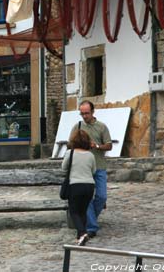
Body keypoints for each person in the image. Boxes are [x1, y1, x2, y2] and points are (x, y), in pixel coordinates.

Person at [70, 100, 112, 239]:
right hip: (83, 169)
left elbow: (109, 145)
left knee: (101, 196)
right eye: (82, 114)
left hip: (99, 166)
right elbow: (70, 144)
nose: (84, 116)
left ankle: (89, 218)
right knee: (86, 199)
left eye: (87, 113)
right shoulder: (78, 126)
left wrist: (97, 146)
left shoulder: (102, 127)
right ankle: (92, 227)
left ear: (93, 112)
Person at [62, 129, 96, 246]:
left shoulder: (70, 153)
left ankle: (82, 233)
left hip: (75, 185)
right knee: (83, 211)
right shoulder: (90, 155)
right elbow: (94, 170)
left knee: (74, 211)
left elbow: (64, 167)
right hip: (89, 185)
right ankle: (80, 238)